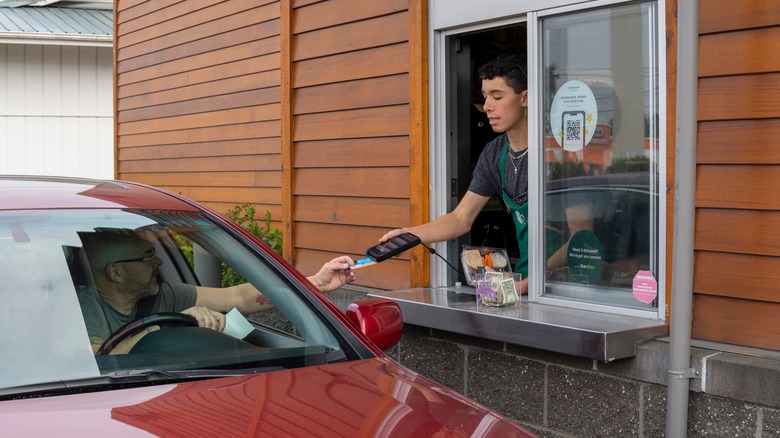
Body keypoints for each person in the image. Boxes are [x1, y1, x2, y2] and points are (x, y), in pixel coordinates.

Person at [380, 55, 532, 294]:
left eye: (497, 96)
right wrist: (409, 234)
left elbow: (576, 236)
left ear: (525, 98)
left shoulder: (553, 152)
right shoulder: (494, 154)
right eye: (485, 97)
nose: (487, 106)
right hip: (523, 282)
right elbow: (461, 218)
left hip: (565, 285)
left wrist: (528, 285)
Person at [77, 231, 356, 354]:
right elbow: (95, 358)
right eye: (147, 257)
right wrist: (166, 328)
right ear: (115, 272)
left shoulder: (164, 295)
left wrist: (316, 283)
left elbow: (238, 297)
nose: (158, 263)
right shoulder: (80, 307)